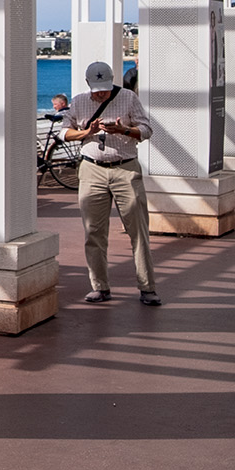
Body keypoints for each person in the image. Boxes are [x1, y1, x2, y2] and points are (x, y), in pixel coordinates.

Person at [59, 60, 160, 306]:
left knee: (138, 230)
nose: (101, 93)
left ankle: (147, 288)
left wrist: (124, 130)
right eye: (96, 89)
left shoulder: (128, 97)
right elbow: (64, 132)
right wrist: (87, 132)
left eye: (104, 88)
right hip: (92, 169)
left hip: (125, 168)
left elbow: (146, 129)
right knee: (93, 231)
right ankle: (100, 287)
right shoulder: (80, 101)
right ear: (88, 84)